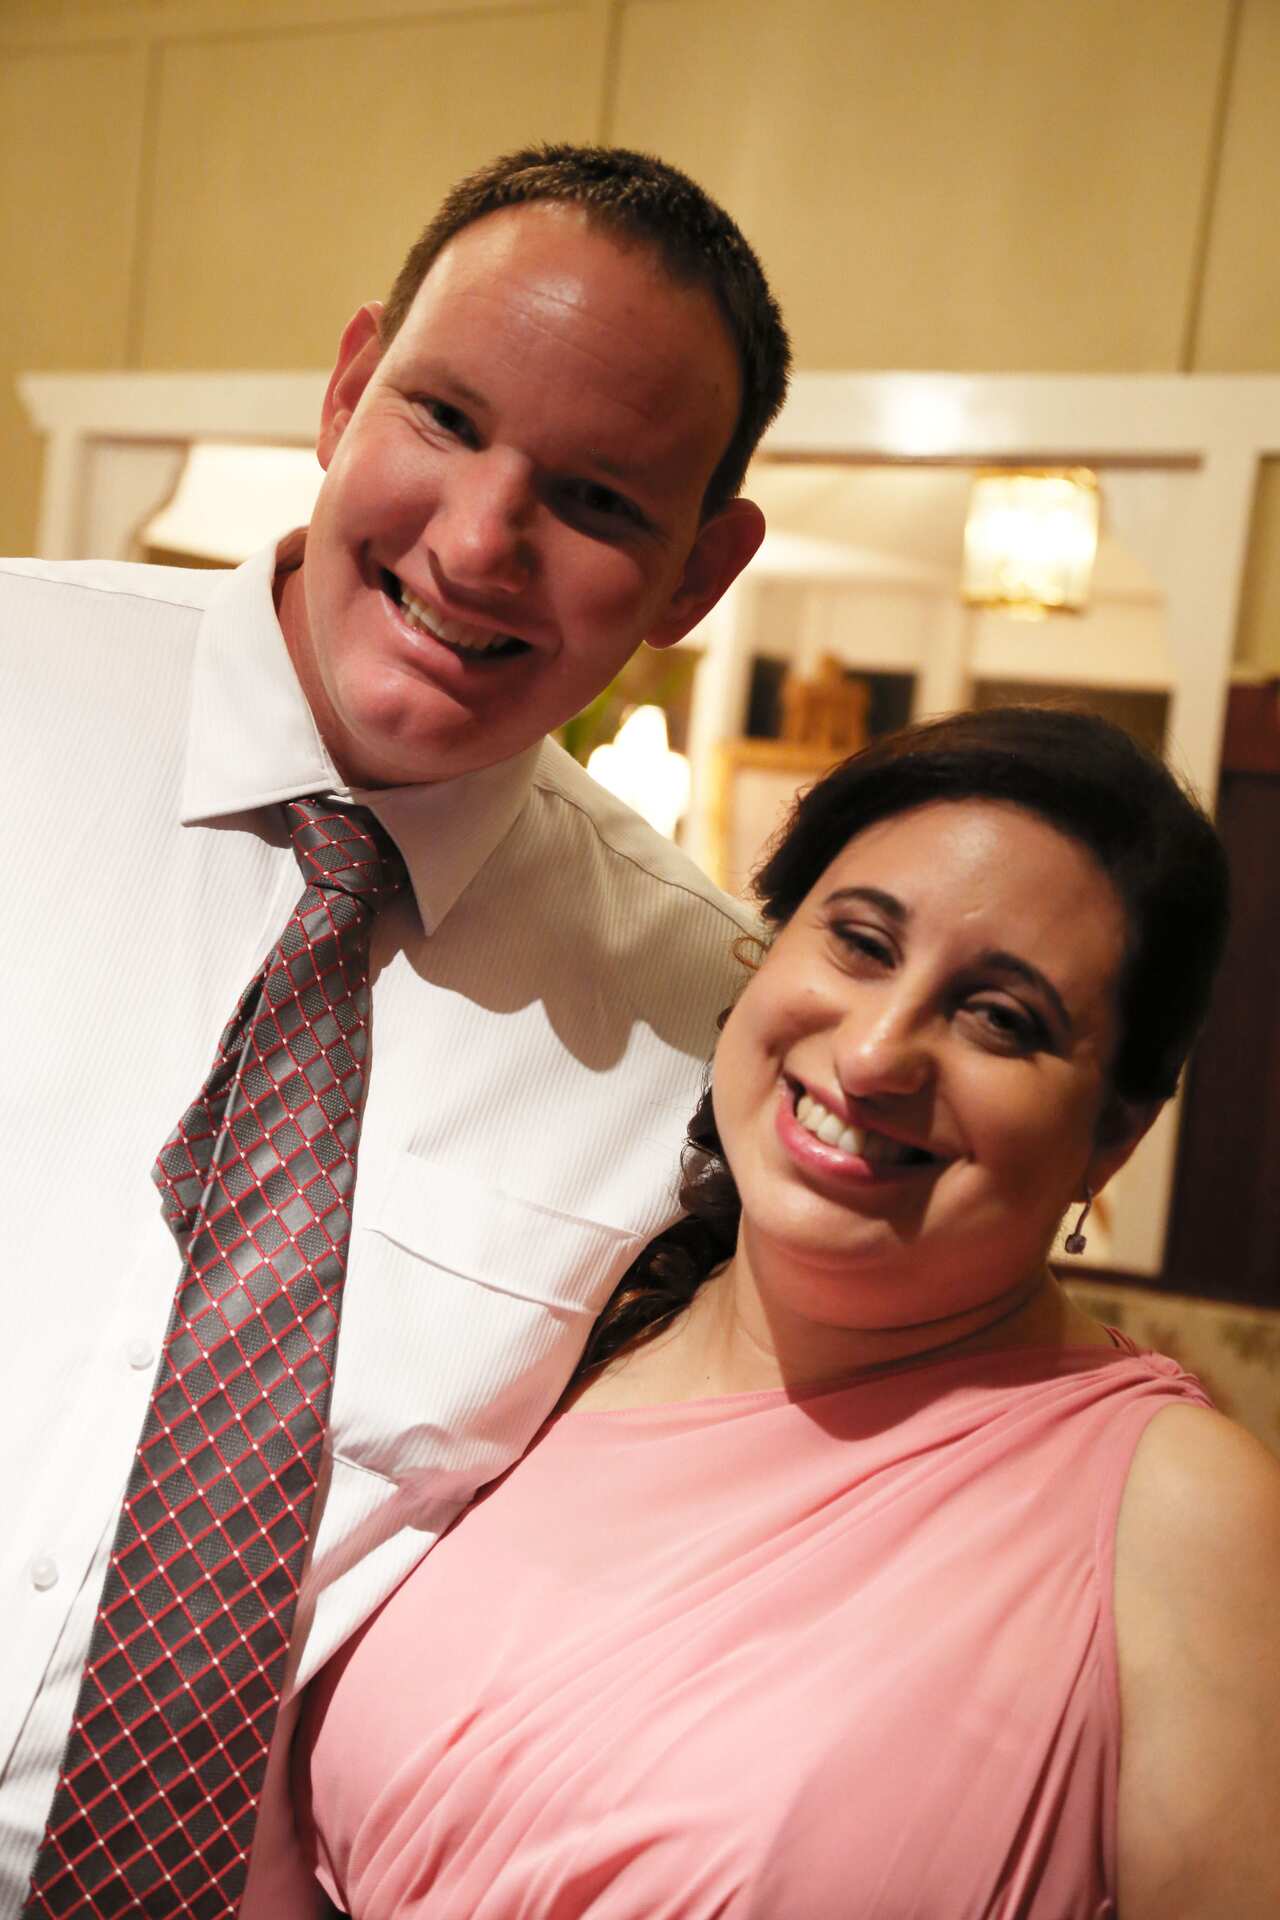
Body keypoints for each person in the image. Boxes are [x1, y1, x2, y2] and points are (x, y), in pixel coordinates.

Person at [0, 144, 790, 1915]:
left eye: (596, 500)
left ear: (703, 572)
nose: (481, 541)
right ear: (350, 384)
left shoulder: (704, 1030)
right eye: (443, 417)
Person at [298, 706, 1280, 1920]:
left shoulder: (1177, 1511)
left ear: (1110, 1139)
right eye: (861, 944)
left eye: (1000, 1020)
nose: (874, 1055)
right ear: (762, 956)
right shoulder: (554, 1332)